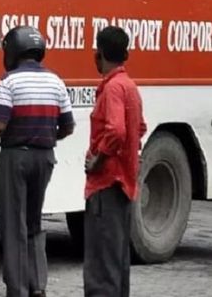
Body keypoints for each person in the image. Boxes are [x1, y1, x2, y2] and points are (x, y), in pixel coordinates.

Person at [0, 26, 75, 297]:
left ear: (12, 51)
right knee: (34, 221)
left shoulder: (9, 81)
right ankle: (37, 285)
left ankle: (18, 289)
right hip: (44, 158)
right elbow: (68, 126)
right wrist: (47, 136)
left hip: (15, 157)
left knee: (13, 224)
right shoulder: (56, 81)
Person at [83, 26, 148, 297]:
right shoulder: (130, 87)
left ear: (98, 54)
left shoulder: (112, 89)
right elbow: (139, 128)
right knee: (117, 262)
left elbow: (116, 131)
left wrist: (97, 159)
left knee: (101, 266)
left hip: (106, 184)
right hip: (124, 183)